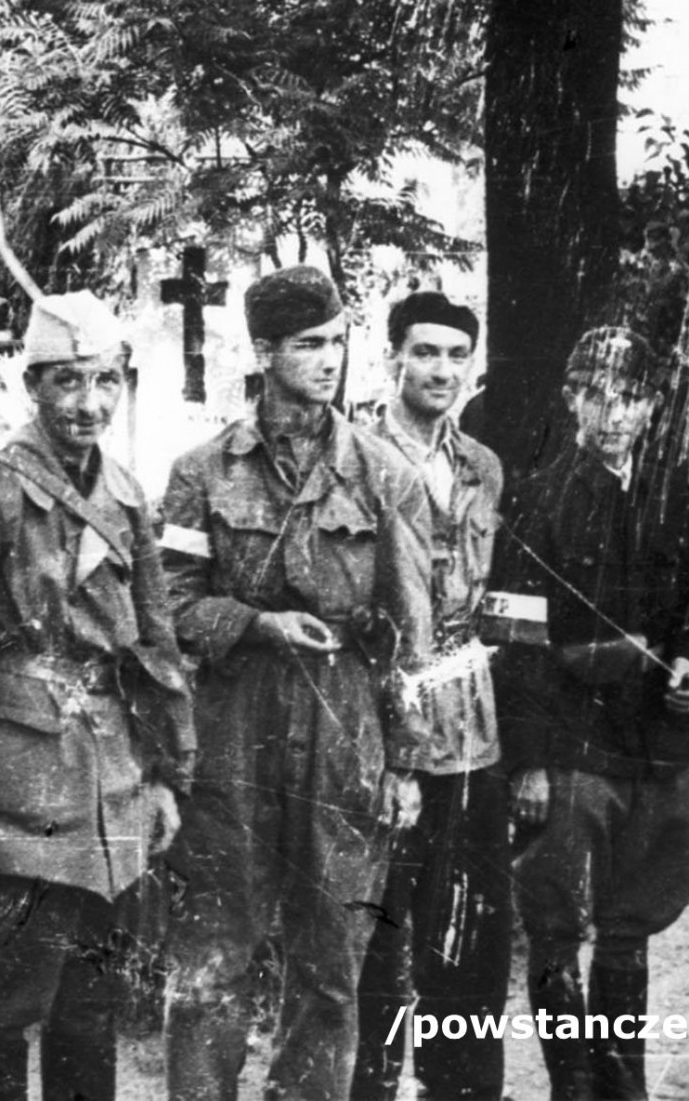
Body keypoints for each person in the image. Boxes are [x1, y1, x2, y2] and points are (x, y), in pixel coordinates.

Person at [0, 292, 194, 1101]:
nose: (88, 402)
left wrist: (167, 772)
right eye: (66, 381)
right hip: (19, 788)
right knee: (4, 1007)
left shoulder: (126, 497)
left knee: (90, 1008)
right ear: (32, 385)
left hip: (110, 785)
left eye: (105, 380)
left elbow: (154, 645)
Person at [159, 265, 433, 1101]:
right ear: (265, 349)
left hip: (346, 720)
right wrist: (257, 624)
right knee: (214, 951)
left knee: (332, 963)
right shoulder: (203, 471)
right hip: (234, 723)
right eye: (309, 344)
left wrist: (407, 761)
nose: (328, 360)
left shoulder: (385, 474)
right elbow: (169, 605)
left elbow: (411, 631)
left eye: (336, 342)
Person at [493, 326, 689, 1101]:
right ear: (572, 397)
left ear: (652, 407)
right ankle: (572, 1089)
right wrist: (531, 762)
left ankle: (624, 1090)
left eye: (631, 397)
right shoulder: (536, 496)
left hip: (652, 748)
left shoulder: (675, 497)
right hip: (569, 748)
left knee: (629, 927)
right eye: (599, 393)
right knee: (555, 927)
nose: (614, 412)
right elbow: (516, 646)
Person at [353, 292, 511, 1101]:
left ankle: (464, 1088)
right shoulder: (355, 457)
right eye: (425, 352)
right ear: (393, 358)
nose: (442, 369)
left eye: (457, 354)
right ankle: (374, 1087)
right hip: (382, 724)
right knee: (381, 925)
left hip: (472, 730)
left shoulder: (483, 465)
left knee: (473, 923)